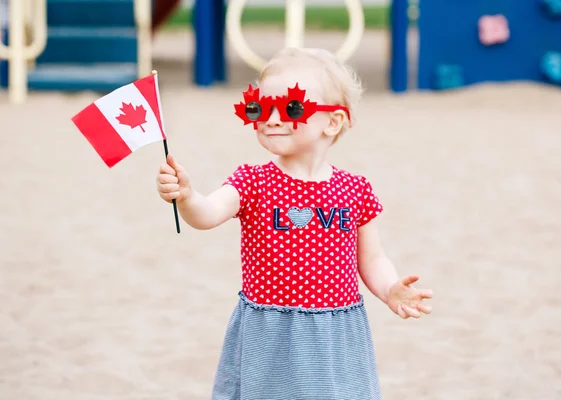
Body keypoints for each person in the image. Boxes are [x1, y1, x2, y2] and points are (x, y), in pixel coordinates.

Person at [156, 47, 433, 400]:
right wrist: (186, 195)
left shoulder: (354, 189)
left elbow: (372, 259)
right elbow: (207, 214)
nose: (270, 119)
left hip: (335, 333)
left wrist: (390, 288)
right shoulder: (252, 181)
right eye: (258, 107)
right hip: (270, 332)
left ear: (333, 121)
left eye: (290, 108)